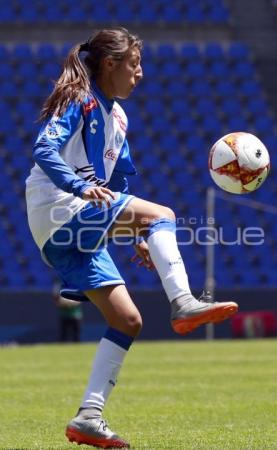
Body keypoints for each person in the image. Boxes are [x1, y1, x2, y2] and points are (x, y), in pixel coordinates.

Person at [25, 27, 238, 449]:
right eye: (134, 64)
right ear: (110, 64)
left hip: (71, 225)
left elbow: (119, 181)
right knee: (165, 214)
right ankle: (183, 303)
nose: (139, 74)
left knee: (127, 320)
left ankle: (88, 415)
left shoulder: (119, 118)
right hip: (58, 208)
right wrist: (80, 187)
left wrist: (139, 232)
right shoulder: (80, 100)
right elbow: (43, 150)